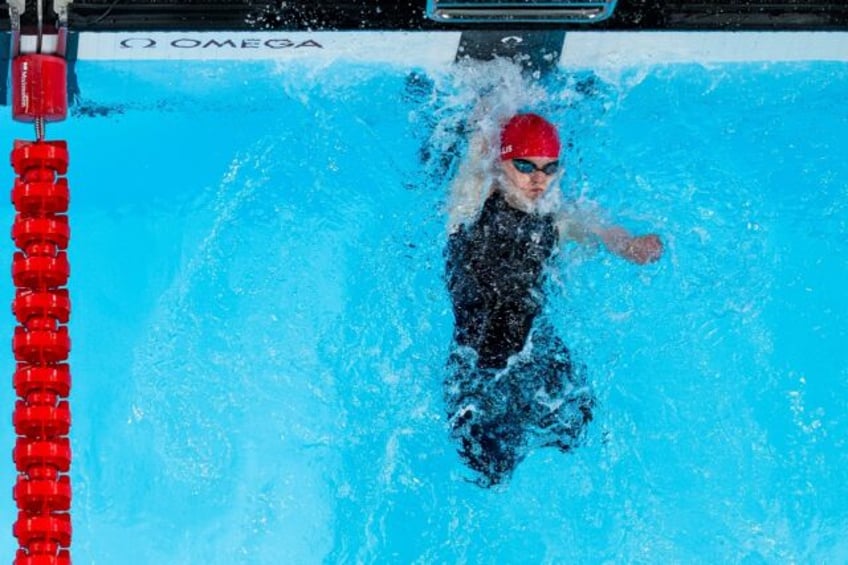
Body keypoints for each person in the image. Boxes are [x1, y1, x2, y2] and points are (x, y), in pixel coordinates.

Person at [444, 113, 663, 487]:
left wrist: (629, 247)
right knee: (489, 467)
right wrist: (487, 104)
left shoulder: (553, 220)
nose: (537, 179)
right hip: (476, 356)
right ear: (503, 162)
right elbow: (476, 152)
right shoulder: (470, 205)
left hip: (535, 345)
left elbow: (602, 230)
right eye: (525, 165)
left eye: (549, 168)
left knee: (578, 427)